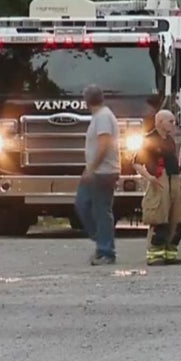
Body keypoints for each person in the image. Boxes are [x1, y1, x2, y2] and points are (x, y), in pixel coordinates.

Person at [133, 109, 181, 266]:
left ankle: (170, 252)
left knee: (178, 220)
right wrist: (149, 177)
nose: (173, 124)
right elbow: (136, 163)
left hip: (174, 181)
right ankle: (155, 255)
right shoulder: (149, 140)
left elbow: (173, 159)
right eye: (170, 121)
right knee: (159, 219)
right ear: (160, 122)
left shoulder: (170, 140)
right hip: (159, 182)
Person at [75, 84, 121, 265]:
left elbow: (104, 145)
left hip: (103, 171)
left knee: (100, 211)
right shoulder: (101, 116)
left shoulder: (103, 117)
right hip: (98, 170)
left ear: (86, 101)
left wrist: (92, 168)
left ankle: (106, 250)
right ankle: (102, 240)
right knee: (84, 204)